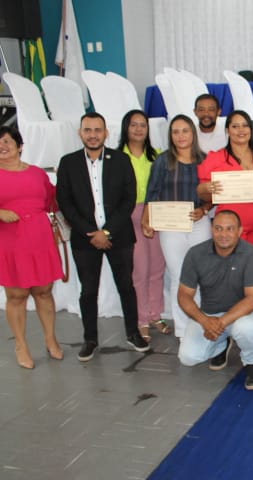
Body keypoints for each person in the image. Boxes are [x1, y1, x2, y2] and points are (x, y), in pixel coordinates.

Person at [56, 112, 150, 361]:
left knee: (126, 287)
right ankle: (90, 339)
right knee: (88, 290)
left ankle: (132, 333)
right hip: (84, 239)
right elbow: (65, 202)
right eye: (88, 130)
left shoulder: (120, 160)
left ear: (106, 133)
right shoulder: (68, 163)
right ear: (80, 133)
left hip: (118, 235)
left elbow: (128, 200)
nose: (93, 135)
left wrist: (106, 231)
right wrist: (92, 233)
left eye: (98, 130)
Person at [177, 210, 253, 390]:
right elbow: (184, 295)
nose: (223, 234)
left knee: (247, 329)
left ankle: (251, 362)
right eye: (218, 228)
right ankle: (222, 344)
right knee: (188, 358)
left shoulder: (251, 254)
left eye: (230, 229)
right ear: (211, 229)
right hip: (209, 315)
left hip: (241, 315)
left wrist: (220, 323)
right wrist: (205, 321)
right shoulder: (195, 253)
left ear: (239, 231)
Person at [143, 114, 212, 339]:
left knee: (200, 275)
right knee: (179, 276)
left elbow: (214, 194)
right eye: (175, 131)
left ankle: (200, 326)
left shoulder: (205, 160)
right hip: (171, 227)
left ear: (193, 133)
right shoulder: (163, 161)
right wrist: (147, 219)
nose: (181, 136)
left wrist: (204, 209)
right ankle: (183, 331)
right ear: (171, 136)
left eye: (185, 130)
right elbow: (152, 193)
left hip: (199, 224)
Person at [0, 126, 64, 368]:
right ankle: (21, 344)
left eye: (6, 141)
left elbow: (52, 201)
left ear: (19, 145)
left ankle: (50, 339)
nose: (2, 147)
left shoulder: (37, 173)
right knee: (16, 295)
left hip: (39, 239)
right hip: (9, 241)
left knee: (44, 292)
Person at [117, 110, 169, 342]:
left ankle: (155, 314)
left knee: (158, 268)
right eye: (134, 125)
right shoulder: (117, 156)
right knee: (140, 270)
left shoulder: (157, 155)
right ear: (125, 128)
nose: (138, 129)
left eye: (143, 125)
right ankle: (141, 320)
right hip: (129, 215)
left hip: (155, 213)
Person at [197, 110, 253, 246]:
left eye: (245, 125)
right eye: (235, 126)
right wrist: (207, 188)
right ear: (227, 130)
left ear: (250, 129)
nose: (241, 130)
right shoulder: (216, 158)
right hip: (230, 231)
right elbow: (203, 195)